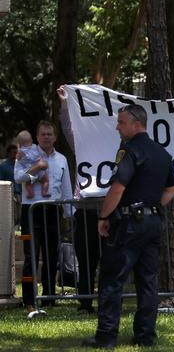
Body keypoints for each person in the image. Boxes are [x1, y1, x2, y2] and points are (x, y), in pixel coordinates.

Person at [83, 104, 174, 348]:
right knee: (147, 282)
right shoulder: (162, 152)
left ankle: (106, 336)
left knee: (112, 279)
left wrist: (104, 217)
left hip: (128, 225)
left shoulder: (130, 150)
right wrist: (154, 206)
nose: (117, 127)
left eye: (121, 122)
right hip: (153, 223)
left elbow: (117, 188)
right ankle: (145, 336)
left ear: (137, 123)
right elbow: (172, 188)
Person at [14, 120, 73, 314]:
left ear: (55, 137)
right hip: (31, 210)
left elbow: (65, 188)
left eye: (50, 134)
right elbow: (18, 178)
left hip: (53, 210)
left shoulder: (62, 159)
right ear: (37, 137)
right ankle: (29, 300)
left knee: (52, 255)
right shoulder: (26, 154)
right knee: (32, 256)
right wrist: (37, 169)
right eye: (43, 134)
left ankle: (49, 297)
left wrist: (69, 213)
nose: (47, 137)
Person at [57, 85, 102, 314]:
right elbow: (67, 128)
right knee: (86, 260)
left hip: (108, 211)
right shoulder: (82, 145)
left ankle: (106, 300)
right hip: (85, 211)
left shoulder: (118, 146)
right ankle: (85, 303)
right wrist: (65, 104)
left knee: (109, 261)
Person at [15, 130, 50, 199]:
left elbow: (20, 160)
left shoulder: (20, 152)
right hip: (40, 171)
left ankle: (31, 194)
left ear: (19, 143)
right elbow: (37, 156)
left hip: (31, 172)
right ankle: (44, 192)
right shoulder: (34, 147)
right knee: (45, 181)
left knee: (28, 184)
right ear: (31, 140)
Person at [0, 144, 22, 225]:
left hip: (20, 194)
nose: (16, 154)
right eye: (14, 152)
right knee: (13, 217)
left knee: (20, 216)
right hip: (10, 194)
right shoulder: (3, 166)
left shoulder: (20, 166)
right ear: (9, 153)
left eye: (17, 152)